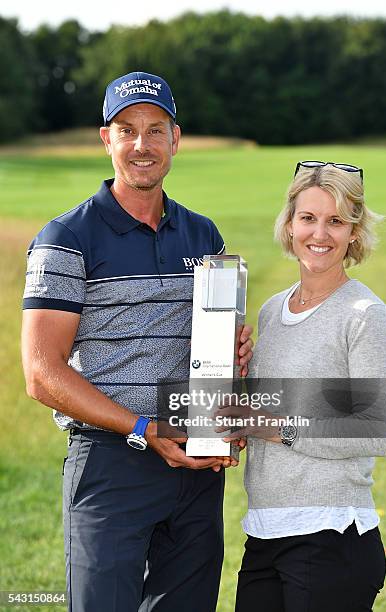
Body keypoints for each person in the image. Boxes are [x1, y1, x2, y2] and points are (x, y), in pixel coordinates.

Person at [21, 71, 253, 612]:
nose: (142, 145)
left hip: (196, 470)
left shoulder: (204, 235)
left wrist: (235, 372)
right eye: (127, 131)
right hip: (111, 467)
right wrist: (144, 430)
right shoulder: (66, 239)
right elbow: (41, 372)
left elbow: (213, 347)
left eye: (155, 130)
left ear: (176, 138)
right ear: (107, 140)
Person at [220, 161, 386, 612]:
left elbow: (379, 429)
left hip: (331, 537)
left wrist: (278, 426)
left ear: (354, 233)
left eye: (336, 221)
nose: (320, 233)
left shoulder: (364, 314)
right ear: (289, 223)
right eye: (308, 218)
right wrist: (235, 394)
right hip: (263, 533)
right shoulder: (270, 311)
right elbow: (260, 415)